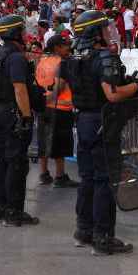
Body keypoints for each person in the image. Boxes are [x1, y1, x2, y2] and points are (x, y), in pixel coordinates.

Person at [64, 9, 138, 254]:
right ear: (94, 32)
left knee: (86, 179)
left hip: (82, 121)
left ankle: (83, 230)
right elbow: (113, 94)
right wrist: (135, 86)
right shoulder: (104, 57)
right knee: (104, 180)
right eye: (105, 28)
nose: (109, 32)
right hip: (102, 122)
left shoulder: (74, 57)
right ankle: (103, 236)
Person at [0, 14, 39, 226]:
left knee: (2, 161)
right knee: (16, 163)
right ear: (16, 33)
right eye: (23, 30)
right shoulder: (16, 57)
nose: (26, 34)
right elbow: (20, 89)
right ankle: (14, 212)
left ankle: (0, 208)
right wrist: (26, 116)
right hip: (12, 112)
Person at [34, 35, 79, 188]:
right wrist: (49, 101)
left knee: (43, 141)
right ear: (56, 47)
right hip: (59, 109)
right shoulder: (62, 64)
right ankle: (60, 176)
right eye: (64, 45)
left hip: (43, 108)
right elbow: (59, 87)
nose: (68, 47)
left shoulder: (42, 62)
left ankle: (43, 174)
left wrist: (41, 104)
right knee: (60, 143)